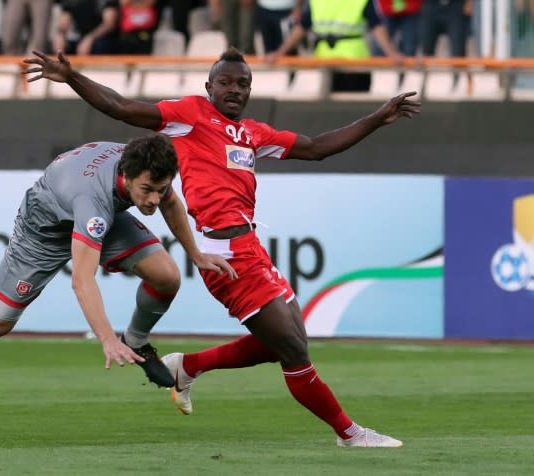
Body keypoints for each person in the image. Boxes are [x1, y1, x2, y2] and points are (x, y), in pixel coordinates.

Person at [23, 47, 419, 447]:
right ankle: (350, 434)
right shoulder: (190, 116)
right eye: (225, 82)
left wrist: (377, 118)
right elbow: (123, 108)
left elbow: (316, 147)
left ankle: (186, 368)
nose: (234, 89)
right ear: (209, 86)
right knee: (294, 349)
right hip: (224, 255)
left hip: (252, 248)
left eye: (242, 83)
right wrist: (72, 77)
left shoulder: (253, 134)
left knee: (278, 342)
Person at [0, 135, 237, 395]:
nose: (155, 200)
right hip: (44, 229)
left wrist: (196, 254)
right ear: (126, 176)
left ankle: (138, 341)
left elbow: (172, 203)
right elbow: (82, 280)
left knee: (167, 276)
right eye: (147, 191)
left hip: (97, 213)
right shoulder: (92, 200)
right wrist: (107, 340)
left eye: (161, 189)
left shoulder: (146, 167)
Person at [267, 0, 403, 92]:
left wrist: (280, 52)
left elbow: (301, 28)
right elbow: (302, 27)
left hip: (345, 65)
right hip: (341, 63)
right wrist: (280, 52)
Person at [53, 0, 121, 55]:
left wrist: (90, 39)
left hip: (104, 39)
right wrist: (60, 35)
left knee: (100, 45)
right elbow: (64, 22)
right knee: (61, 45)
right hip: (82, 39)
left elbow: (109, 24)